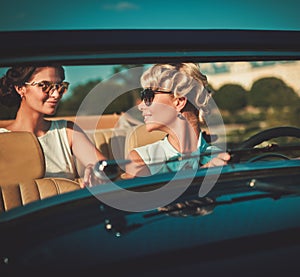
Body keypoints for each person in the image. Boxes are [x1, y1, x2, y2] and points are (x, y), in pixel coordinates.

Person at [0, 65, 106, 187]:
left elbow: (104, 168)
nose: (56, 94)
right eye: (44, 86)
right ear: (20, 88)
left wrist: (96, 172)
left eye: (60, 86)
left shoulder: (67, 131)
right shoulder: (3, 139)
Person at [124, 63, 230, 178]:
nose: (140, 106)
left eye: (148, 96)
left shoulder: (220, 155)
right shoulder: (141, 159)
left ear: (179, 102)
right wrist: (203, 172)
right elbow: (154, 194)